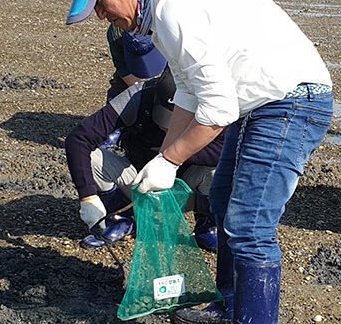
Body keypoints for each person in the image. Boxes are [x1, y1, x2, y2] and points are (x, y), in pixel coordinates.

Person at [66, 0, 334, 324]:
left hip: (291, 101)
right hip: (264, 103)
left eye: (100, 0)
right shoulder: (162, 9)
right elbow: (190, 92)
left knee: (248, 225)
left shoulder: (174, 8)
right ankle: (230, 304)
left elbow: (218, 107)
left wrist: (171, 160)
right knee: (227, 202)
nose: (101, 14)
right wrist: (161, 159)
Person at [64, 70, 223, 251]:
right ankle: (122, 219)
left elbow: (229, 151)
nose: (167, 129)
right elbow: (78, 139)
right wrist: (87, 197)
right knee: (92, 159)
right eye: (163, 120)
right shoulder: (138, 96)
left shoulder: (216, 104)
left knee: (219, 170)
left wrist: (171, 158)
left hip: (185, 189)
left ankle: (208, 227)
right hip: (137, 183)